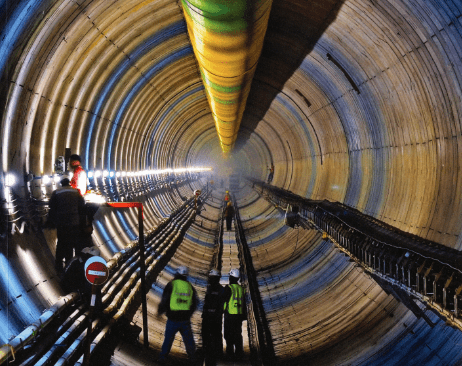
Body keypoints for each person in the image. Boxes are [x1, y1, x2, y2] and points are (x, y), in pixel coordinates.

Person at [157, 266, 198, 364]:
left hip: (173, 318)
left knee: (168, 339)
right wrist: (189, 313)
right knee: (189, 341)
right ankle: (193, 360)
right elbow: (195, 302)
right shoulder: (189, 286)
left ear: (176, 274)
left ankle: (163, 357)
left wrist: (160, 311)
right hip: (185, 319)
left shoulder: (172, 284)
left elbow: (165, 299)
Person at [47, 177, 86, 276]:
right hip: (74, 223)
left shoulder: (57, 192)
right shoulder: (75, 191)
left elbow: (51, 205)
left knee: (61, 243)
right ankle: (69, 264)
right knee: (71, 244)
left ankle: (59, 265)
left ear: (61, 184)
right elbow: (82, 205)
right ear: (69, 183)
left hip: (62, 223)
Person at [202, 269, 226, 366]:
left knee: (210, 335)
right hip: (213, 316)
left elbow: (222, 303)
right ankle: (216, 352)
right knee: (215, 334)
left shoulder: (212, 289)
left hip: (211, 316)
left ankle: (211, 351)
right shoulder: (218, 289)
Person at [223, 268, 246, 360]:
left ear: (231, 277)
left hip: (230, 315)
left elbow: (225, 301)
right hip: (239, 315)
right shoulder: (241, 289)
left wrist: (223, 310)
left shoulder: (229, 288)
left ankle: (230, 353)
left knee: (228, 335)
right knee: (237, 334)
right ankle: (239, 353)